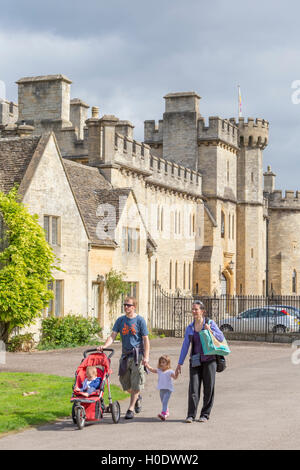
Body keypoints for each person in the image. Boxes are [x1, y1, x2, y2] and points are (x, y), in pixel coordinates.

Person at [97, 296, 150, 420]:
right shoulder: (120, 320)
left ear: (134, 307)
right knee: (124, 382)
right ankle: (137, 397)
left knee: (136, 381)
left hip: (137, 355)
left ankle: (130, 409)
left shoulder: (140, 321)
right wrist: (104, 346)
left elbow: (146, 340)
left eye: (128, 305)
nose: (126, 307)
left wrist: (146, 357)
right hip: (125, 355)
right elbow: (113, 336)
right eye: (124, 305)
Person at [175, 300, 224, 423]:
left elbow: (221, 337)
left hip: (210, 360)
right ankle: (191, 415)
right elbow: (185, 346)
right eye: (193, 309)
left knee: (209, 388)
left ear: (202, 311)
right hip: (195, 361)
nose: (194, 311)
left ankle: (205, 414)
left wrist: (210, 330)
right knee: (193, 388)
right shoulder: (190, 328)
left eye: (196, 309)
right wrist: (180, 363)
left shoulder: (210, 323)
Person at [147, 355, 178, 421]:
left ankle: (163, 414)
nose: (161, 364)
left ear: (167, 363)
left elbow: (175, 377)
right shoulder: (159, 370)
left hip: (168, 389)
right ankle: (166, 412)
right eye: (161, 362)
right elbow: (152, 370)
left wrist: (177, 372)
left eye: (163, 362)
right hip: (161, 389)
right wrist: (146, 365)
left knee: (164, 401)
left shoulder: (170, 371)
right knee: (163, 402)